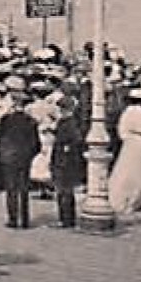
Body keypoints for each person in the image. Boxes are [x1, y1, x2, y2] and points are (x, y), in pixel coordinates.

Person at [108, 87, 141, 216]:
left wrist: (127, 139)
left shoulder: (127, 112)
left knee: (126, 169)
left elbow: (121, 129)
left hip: (130, 143)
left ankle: (123, 198)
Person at [0, 88, 40, 229]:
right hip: (24, 156)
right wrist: (31, 154)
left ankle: (13, 219)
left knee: (11, 188)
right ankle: (24, 219)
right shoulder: (31, 121)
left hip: (9, 156)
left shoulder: (6, 119)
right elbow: (35, 142)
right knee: (23, 188)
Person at [49, 95, 86, 228]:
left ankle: (65, 219)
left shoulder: (68, 123)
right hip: (66, 159)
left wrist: (66, 149)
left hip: (64, 159)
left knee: (63, 190)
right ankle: (66, 218)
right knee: (64, 190)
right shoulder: (69, 122)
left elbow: (75, 140)